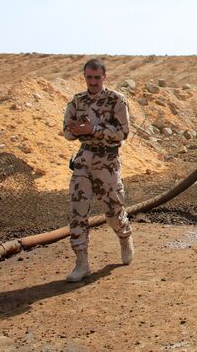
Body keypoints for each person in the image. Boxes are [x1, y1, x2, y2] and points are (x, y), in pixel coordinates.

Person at [62, 58, 134, 282]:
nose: (92, 82)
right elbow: (66, 131)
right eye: (89, 78)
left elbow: (123, 133)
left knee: (113, 211)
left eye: (97, 77)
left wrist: (93, 129)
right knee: (77, 212)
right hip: (84, 160)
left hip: (108, 162)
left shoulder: (116, 100)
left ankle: (124, 235)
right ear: (84, 77)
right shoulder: (77, 101)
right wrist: (76, 131)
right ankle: (81, 263)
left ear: (104, 77)